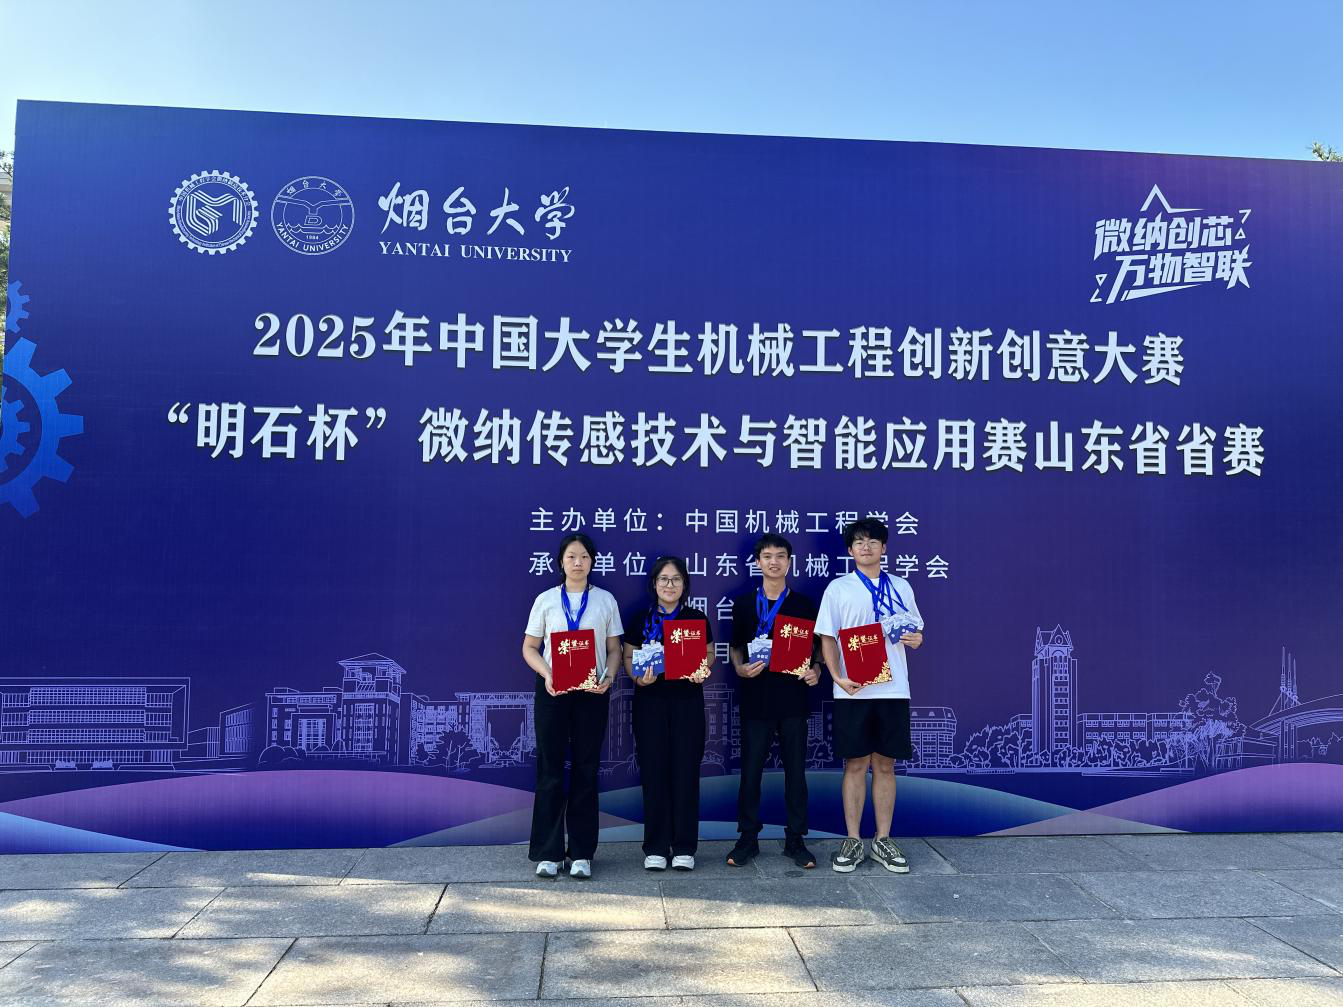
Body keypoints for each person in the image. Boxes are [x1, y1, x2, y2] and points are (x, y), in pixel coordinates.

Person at [815, 518, 925, 874]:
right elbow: (827, 637)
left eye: (873, 541)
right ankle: (852, 839)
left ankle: (882, 839)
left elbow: (916, 632)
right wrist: (837, 677)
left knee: (886, 765)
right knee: (855, 764)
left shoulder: (901, 586)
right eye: (859, 542)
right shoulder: (839, 588)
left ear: (884, 548)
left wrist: (917, 639)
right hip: (854, 690)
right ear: (850, 550)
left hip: (894, 689)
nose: (866, 547)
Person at [522, 533, 624, 879]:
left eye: (583, 557)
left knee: (586, 769)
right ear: (561, 562)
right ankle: (548, 852)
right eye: (571, 557)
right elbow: (529, 648)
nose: (577, 562)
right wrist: (548, 674)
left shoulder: (605, 600)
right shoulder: (546, 600)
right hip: (553, 691)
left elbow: (614, 649)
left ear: (592, 562)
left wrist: (609, 676)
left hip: (592, 693)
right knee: (550, 770)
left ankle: (581, 853)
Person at [726, 533, 821, 869]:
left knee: (796, 772)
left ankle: (795, 839)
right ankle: (747, 838)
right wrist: (739, 668)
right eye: (767, 556)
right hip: (756, 698)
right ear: (758, 562)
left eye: (780, 556)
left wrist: (817, 670)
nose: (774, 562)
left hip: (793, 698)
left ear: (789, 562)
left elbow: (817, 650)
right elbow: (735, 647)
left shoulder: (804, 604)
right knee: (751, 772)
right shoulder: (742, 604)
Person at [623, 555, 714, 871]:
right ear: (654, 584)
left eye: (676, 579)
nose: (670, 585)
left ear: (685, 584)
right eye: (664, 579)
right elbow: (628, 657)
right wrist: (638, 679)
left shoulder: (696, 618)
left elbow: (709, 652)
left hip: (687, 703)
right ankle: (656, 847)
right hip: (650, 704)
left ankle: (685, 846)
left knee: (686, 773)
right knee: (654, 773)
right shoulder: (640, 619)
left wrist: (703, 668)